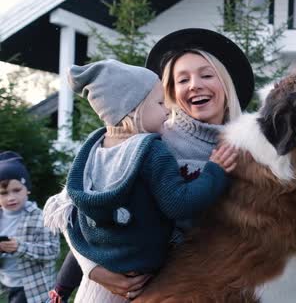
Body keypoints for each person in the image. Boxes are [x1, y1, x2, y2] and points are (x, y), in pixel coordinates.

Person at [44, 28, 254, 302]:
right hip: (118, 288)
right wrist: (95, 270)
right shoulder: (145, 141)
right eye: (182, 79)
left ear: (226, 83)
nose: (194, 85)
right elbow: (72, 209)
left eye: (206, 74)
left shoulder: (249, 151)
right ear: (170, 92)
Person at [0, 151, 60, 303]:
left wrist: (19, 247)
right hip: (7, 284)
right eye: (3, 193)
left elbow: (52, 252)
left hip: (35, 289)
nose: (11, 197)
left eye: (16, 190)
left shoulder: (40, 217)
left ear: (27, 189)